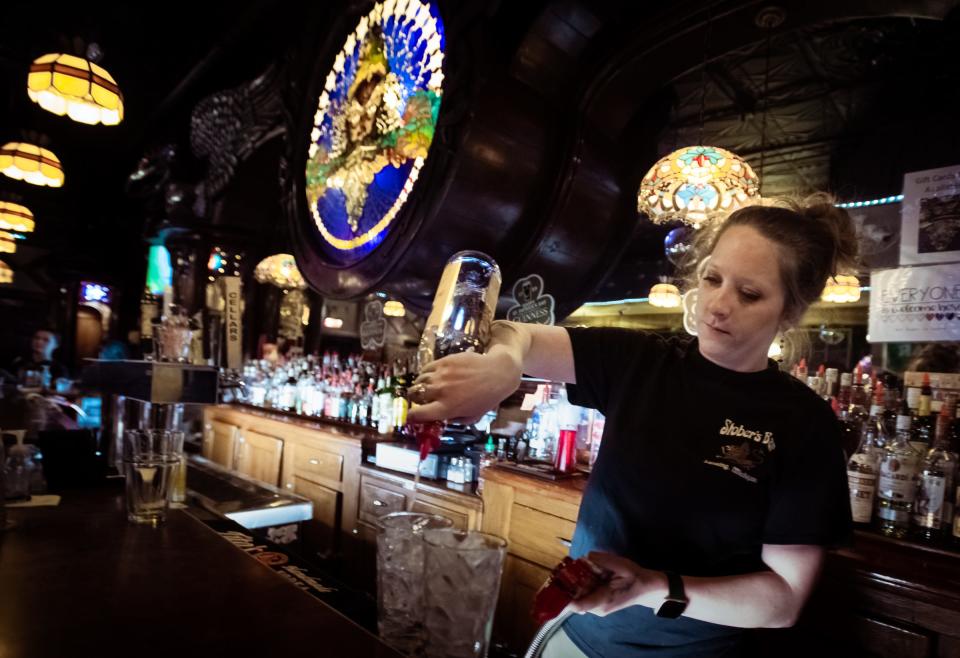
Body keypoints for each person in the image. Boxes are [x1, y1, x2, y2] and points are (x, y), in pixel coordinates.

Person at [407, 195, 857, 657]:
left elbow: (783, 599)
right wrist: (505, 363)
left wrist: (654, 587)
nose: (718, 305)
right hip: (576, 637)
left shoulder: (803, 423)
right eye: (712, 279)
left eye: (749, 294)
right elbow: (514, 333)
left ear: (790, 311)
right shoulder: (641, 362)